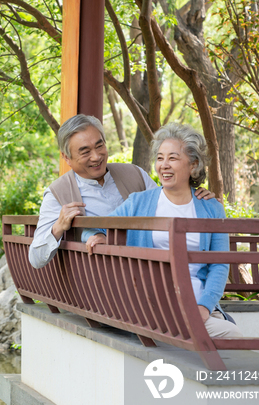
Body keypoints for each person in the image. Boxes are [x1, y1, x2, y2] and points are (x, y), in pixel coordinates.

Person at [86, 123, 241, 338]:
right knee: (233, 338)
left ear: (193, 164)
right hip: (152, 309)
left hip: (198, 308)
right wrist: (98, 235)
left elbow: (219, 264)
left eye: (173, 158)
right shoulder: (139, 202)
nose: (164, 165)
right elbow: (97, 227)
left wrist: (205, 308)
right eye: (160, 158)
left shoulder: (211, 207)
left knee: (230, 338)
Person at [28, 114, 214, 269]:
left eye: (100, 146)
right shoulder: (57, 194)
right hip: (101, 285)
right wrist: (58, 227)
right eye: (85, 152)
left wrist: (196, 199)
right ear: (66, 158)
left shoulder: (134, 174)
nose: (96, 156)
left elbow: (167, 208)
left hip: (150, 271)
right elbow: (36, 258)